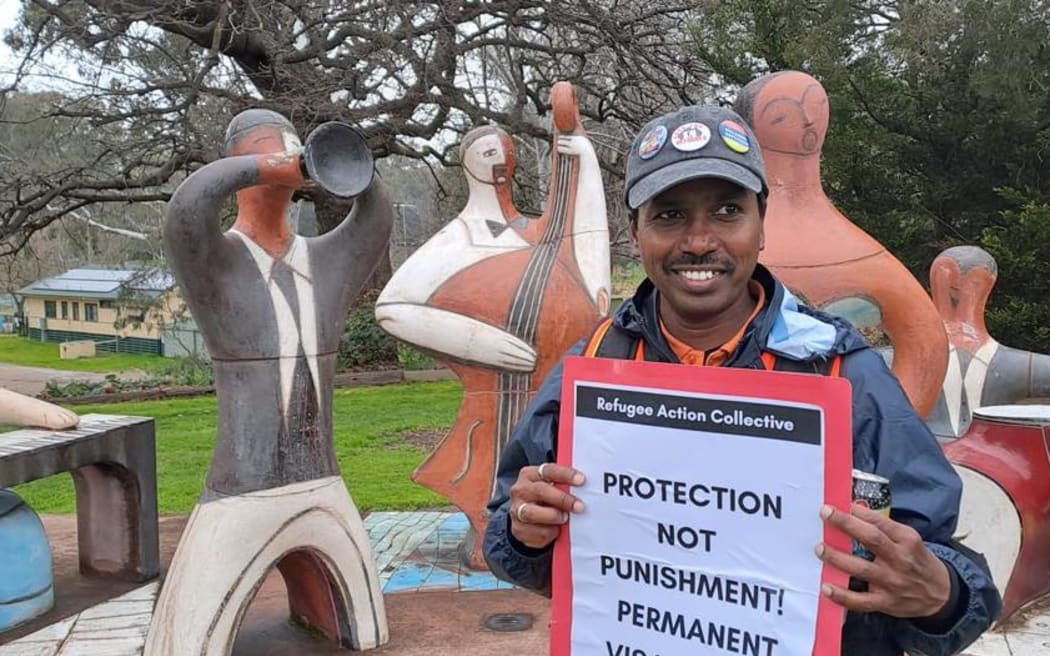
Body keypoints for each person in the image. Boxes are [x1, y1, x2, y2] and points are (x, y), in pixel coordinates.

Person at [483, 105, 1000, 655]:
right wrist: (525, 532)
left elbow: (947, 571)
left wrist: (939, 594)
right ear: (635, 233)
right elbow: (511, 534)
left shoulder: (840, 368)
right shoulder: (596, 363)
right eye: (669, 216)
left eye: (728, 211)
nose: (699, 241)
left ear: (761, 226)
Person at [146, 109, 390, 654]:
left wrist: (340, 163)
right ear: (237, 167)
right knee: (186, 641)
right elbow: (189, 204)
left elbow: (375, 213)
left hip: (323, 480)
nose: (284, 168)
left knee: (370, 630)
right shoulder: (215, 260)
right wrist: (269, 164)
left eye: (291, 153)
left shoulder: (328, 261)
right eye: (261, 155)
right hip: (241, 489)